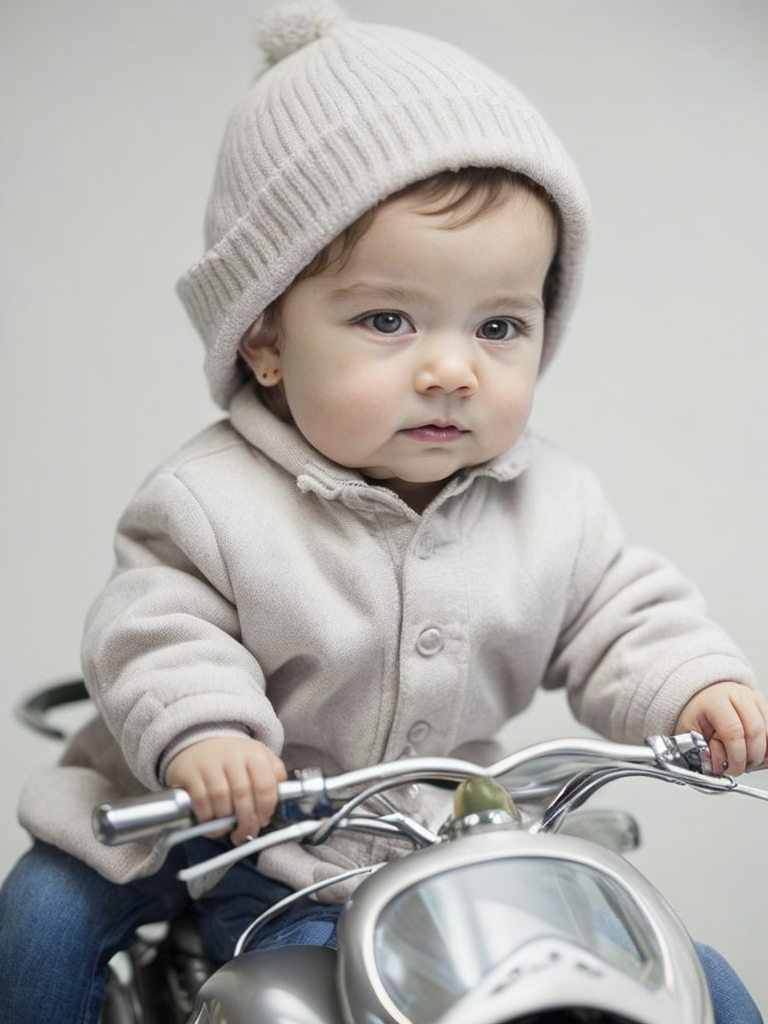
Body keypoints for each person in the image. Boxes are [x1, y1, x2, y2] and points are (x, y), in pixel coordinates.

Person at [1, 2, 765, 1022]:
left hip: (455, 833)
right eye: (388, 319)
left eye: (500, 324)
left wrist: (695, 687)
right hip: (245, 836)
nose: (451, 368)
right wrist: (210, 736)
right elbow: (157, 631)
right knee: (43, 924)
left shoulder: (557, 504)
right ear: (267, 338)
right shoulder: (208, 501)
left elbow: (625, 611)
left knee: (689, 973)